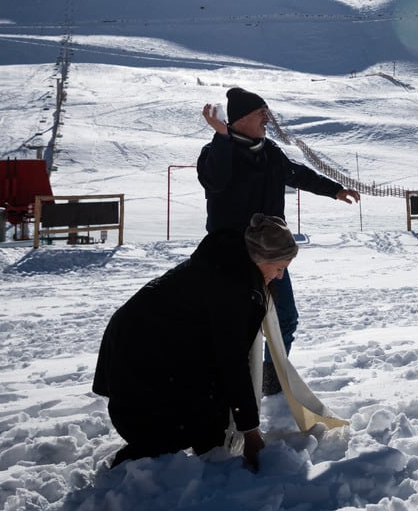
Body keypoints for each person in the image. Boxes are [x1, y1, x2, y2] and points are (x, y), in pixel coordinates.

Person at [93, 214, 298, 470]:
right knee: (178, 434)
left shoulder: (231, 265)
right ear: (261, 259)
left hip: (155, 361)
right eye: (279, 268)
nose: (279, 277)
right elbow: (232, 362)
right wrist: (251, 432)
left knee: (212, 422)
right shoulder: (230, 288)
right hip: (137, 375)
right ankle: (131, 465)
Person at [198, 87, 360, 392]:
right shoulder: (216, 151)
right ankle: (231, 384)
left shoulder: (269, 151)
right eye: (262, 113)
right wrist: (221, 137)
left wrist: (334, 189)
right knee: (236, 324)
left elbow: (297, 174)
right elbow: (215, 181)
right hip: (232, 256)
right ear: (243, 117)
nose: (267, 119)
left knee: (286, 317)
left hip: (272, 256)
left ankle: (270, 381)